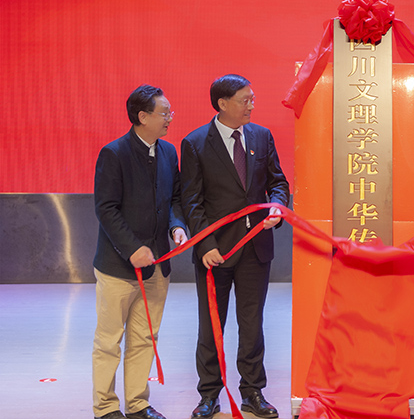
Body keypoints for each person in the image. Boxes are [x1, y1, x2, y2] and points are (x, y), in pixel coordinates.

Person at [181, 74, 290, 419]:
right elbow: (191, 200)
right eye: (245, 100)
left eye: (252, 99)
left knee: (252, 324)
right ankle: (209, 395)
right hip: (214, 253)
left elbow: (278, 182)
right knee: (211, 325)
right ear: (223, 104)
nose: (251, 105)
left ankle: (253, 391)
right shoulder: (195, 143)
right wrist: (204, 245)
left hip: (256, 249)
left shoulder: (261, 136)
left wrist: (277, 206)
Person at [92, 85, 188, 419]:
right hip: (118, 267)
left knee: (145, 337)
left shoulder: (168, 152)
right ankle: (105, 408)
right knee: (109, 341)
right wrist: (132, 248)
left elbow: (175, 199)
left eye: (170, 112)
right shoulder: (114, 153)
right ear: (142, 116)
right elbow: (106, 209)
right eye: (165, 113)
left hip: (157, 266)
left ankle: (137, 404)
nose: (170, 118)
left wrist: (177, 226)